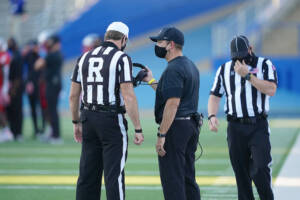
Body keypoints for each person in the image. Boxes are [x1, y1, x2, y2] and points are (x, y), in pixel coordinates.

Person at [69, 21, 144, 200]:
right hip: (111, 120)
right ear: (124, 39)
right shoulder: (121, 57)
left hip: (88, 117)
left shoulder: (84, 57)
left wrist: (75, 122)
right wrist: (138, 127)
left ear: (106, 36)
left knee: (87, 176)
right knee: (114, 176)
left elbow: (73, 96)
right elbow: (128, 95)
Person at [208, 35, 277, 200]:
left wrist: (248, 76)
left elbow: (271, 89)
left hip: (257, 125)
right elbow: (215, 95)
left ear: (250, 49)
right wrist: (212, 115)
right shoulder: (224, 69)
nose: (240, 60)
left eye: (243, 55)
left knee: (260, 168)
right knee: (241, 174)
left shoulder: (264, 64)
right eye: (236, 57)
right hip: (235, 127)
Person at [143, 27, 201, 200]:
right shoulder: (189, 65)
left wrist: (162, 134)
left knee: (173, 180)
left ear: (171, 45)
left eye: (160, 42)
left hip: (176, 128)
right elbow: (169, 94)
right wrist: (151, 80)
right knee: (187, 178)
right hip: (190, 125)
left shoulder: (173, 69)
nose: (158, 45)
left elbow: (173, 103)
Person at [35, 34, 63, 144]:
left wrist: (43, 52)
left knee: (52, 110)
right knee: (51, 110)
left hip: (52, 85)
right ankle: (52, 132)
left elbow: (37, 65)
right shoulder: (56, 54)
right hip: (53, 84)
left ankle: (56, 136)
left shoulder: (52, 55)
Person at [23, 40, 44, 138]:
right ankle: (36, 129)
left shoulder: (40, 56)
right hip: (32, 85)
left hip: (39, 86)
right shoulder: (28, 56)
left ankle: (42, 129)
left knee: (41, 108)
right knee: (33, 109)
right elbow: (25, 70)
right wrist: (28, 82)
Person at [6, 37, 24, 141]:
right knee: (12, 110)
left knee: (16, 110)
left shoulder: (17, 56)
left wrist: (13, 89)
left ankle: (17, 132)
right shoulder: (14, 55)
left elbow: (18, 75)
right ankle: (14, 132)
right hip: (13, 86)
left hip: (16, 87)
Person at [0, 38, 14, 142]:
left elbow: (4, 72)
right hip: (2, 86)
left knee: (1, 110)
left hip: (2, 87)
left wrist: (4, 89)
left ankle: (7, 131)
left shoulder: (4, 55)